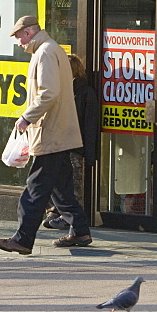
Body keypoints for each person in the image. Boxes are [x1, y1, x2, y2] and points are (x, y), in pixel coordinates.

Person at [0, 15, 92, 254]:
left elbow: (48, 93)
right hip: (58, 131)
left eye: (18, 37)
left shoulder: (45, 52)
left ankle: (23, 239)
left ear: (28, 33)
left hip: (51, 132)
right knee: (61, 187)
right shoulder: (51, 49)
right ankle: (79, 230)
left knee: (35, 189)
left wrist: (27, 117)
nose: (18, 43)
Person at [43, 53, 100, 229]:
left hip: (75, 146)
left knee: (74, 183)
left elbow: (90, 124)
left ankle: (70, 219)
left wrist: (88, 153)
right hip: (56, 144)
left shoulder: (84, 92)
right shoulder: (58, 90)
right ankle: (55, 211)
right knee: (56, 181)